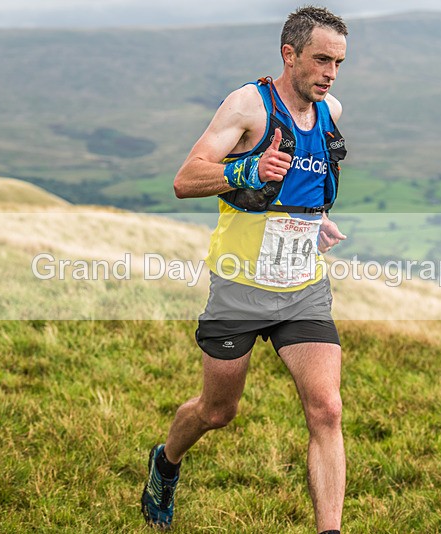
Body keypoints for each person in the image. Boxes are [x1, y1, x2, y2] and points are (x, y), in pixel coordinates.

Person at [141, 6, 348, 533]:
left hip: (303, 288)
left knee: (327, 409)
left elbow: (302, 184)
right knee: (217, 411)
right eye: (321, 60)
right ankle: (166, 461)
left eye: (338, 63)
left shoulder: (331, 111)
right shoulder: (247, 106)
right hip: (240, 288)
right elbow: (186, 179)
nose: (330, 73)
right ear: (289, 54)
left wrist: (317, 219)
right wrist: (248, 168)